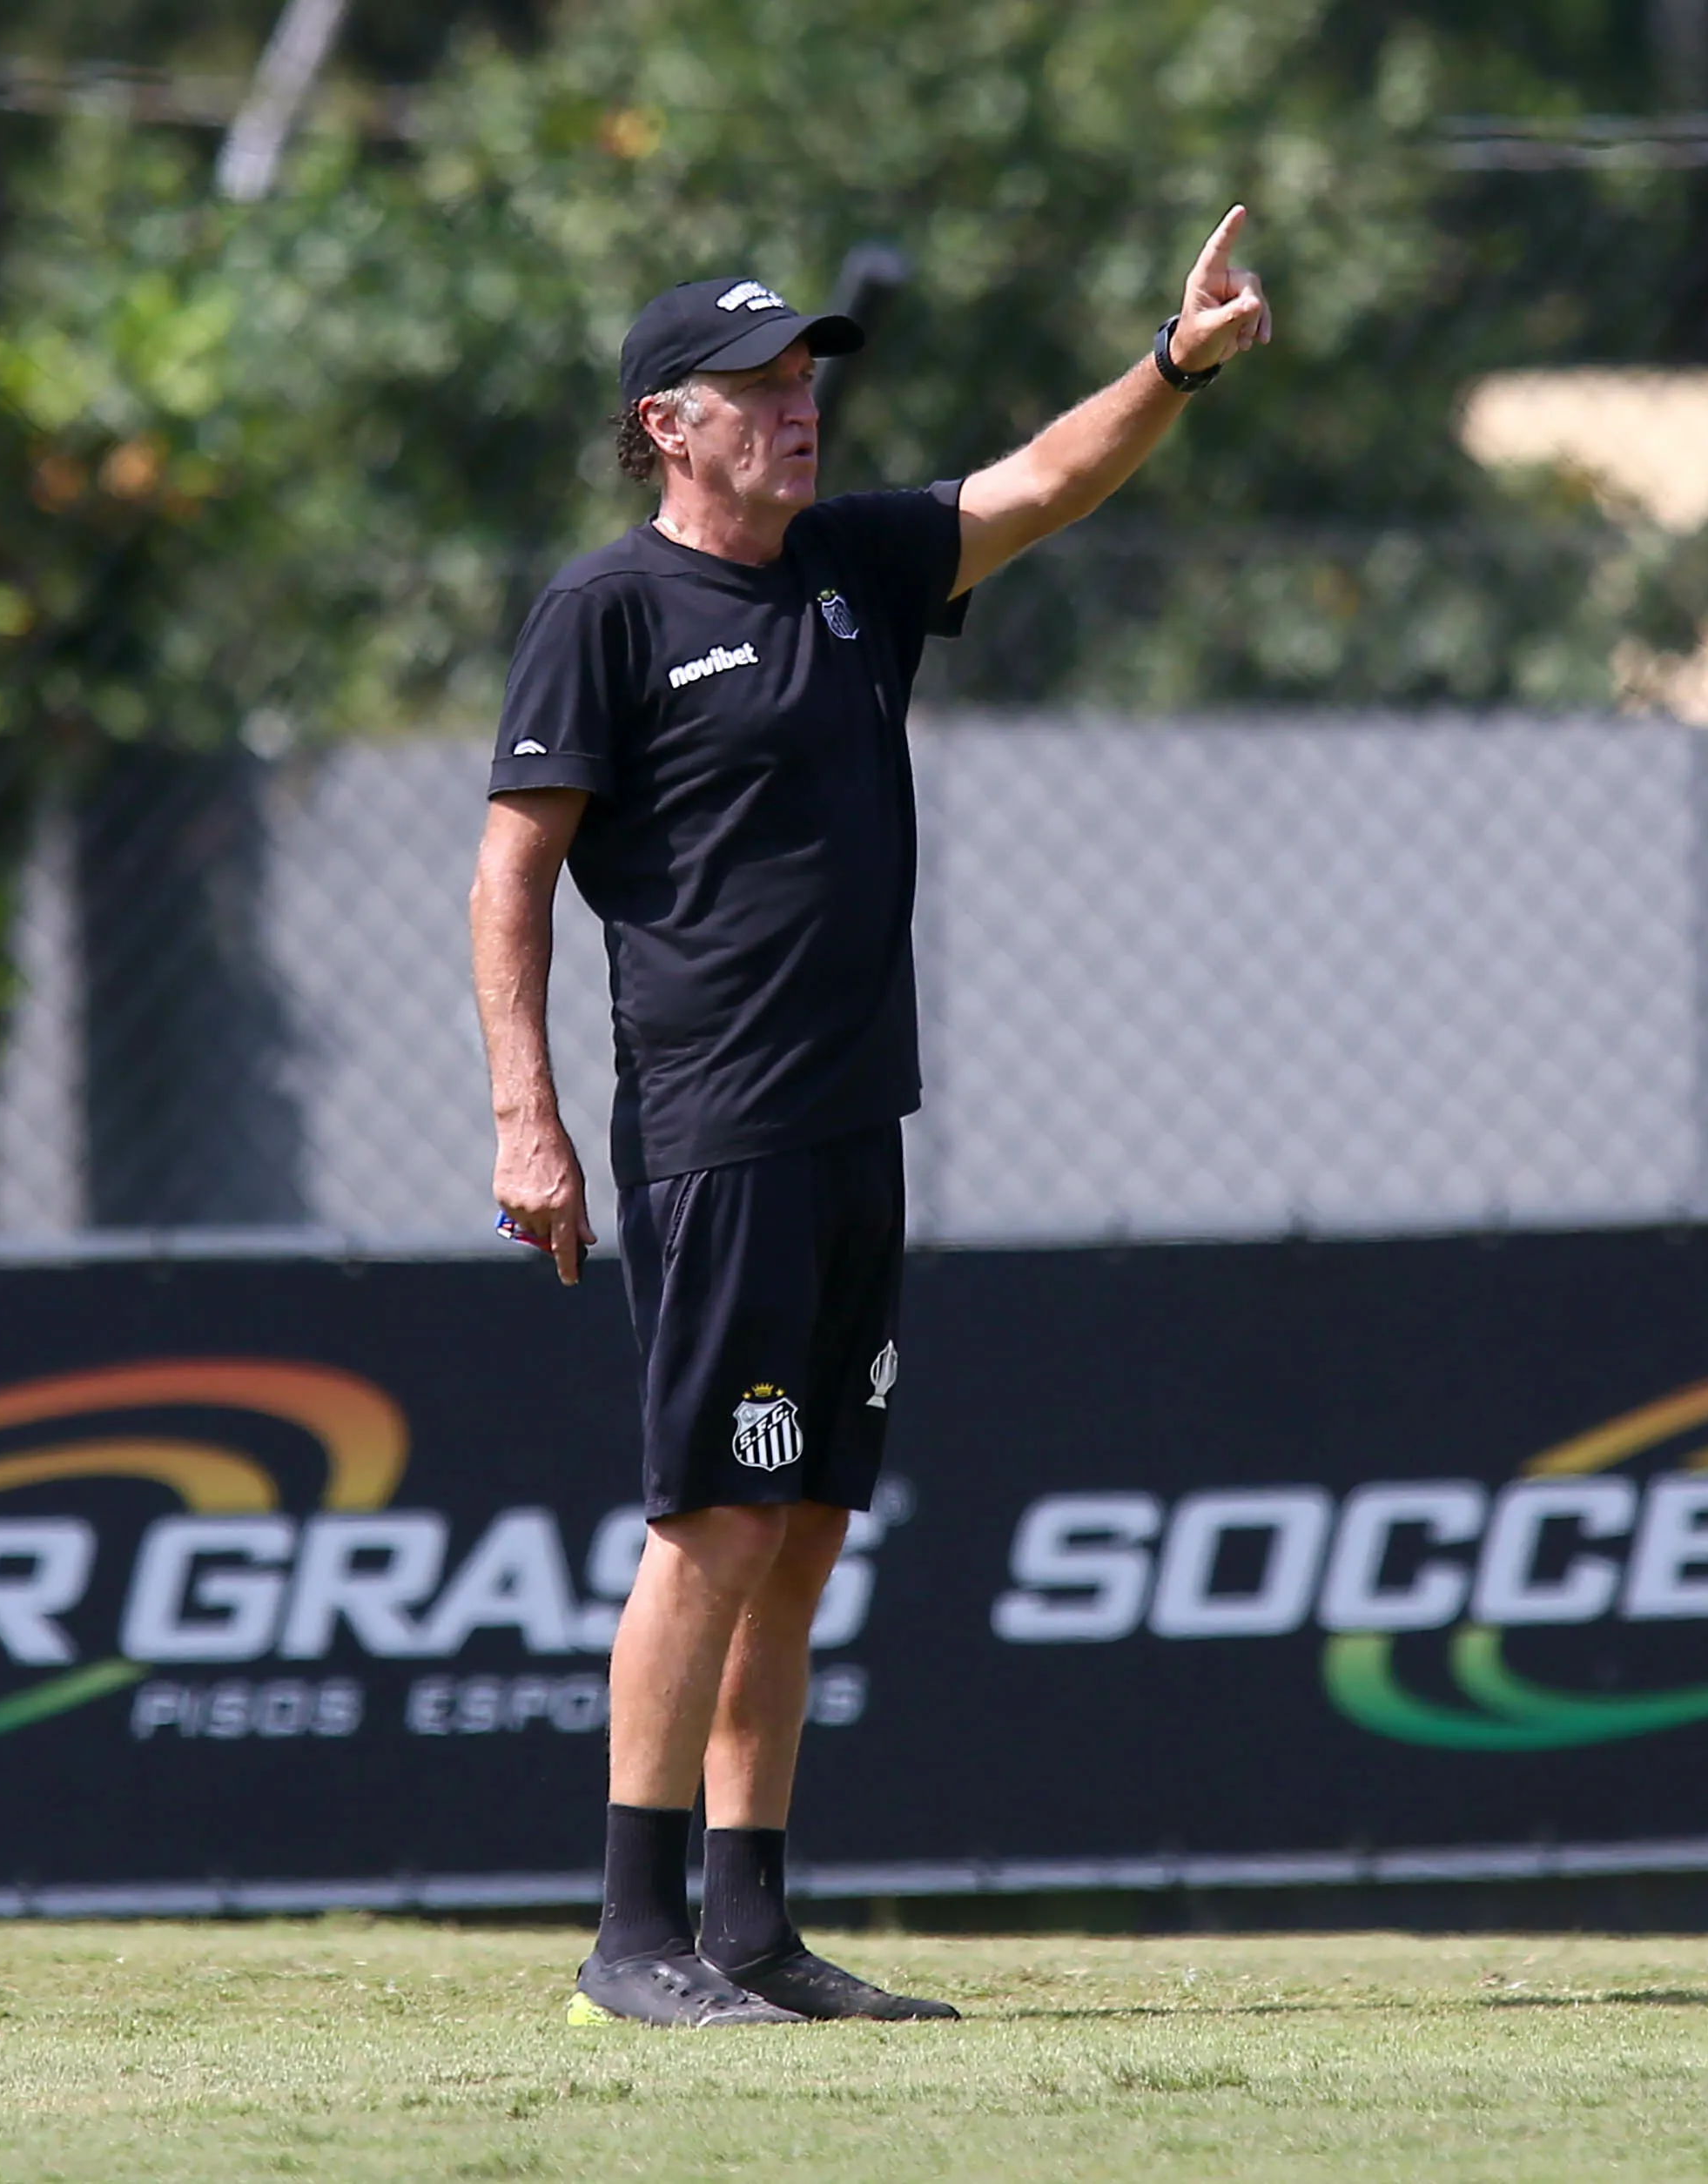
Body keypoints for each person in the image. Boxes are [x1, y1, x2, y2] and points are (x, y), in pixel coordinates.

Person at [469, 210, 1272, 2027]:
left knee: (811, 1515)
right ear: (667, 425)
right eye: (753, 389)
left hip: (851, 1123)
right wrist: (529, 1120)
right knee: (712, 1521)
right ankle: (630, 1939)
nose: (795, 407)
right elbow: (508, 876)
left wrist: (1171, 363)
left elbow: (1042, 487)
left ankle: (749, 1929)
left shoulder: (849, 566)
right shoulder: (608, 608)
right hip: (715, 1127)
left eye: (803, 377)